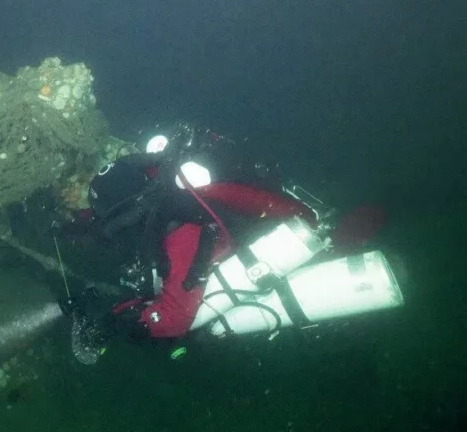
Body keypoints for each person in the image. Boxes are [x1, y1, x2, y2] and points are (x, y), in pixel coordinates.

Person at [61, 126, 322, 358]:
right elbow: (119, 214)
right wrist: (75, 224)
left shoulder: (182, 227)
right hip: (207, 254)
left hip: (246, 265)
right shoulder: (156, 192)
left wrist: (112, 324)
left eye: (115, 226)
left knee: (192, 339)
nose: (117, 236)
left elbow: (174, 319)